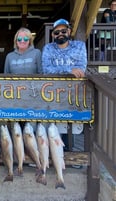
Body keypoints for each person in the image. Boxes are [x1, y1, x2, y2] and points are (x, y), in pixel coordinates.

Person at [42, 19, 87, 152]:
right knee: (52, 125)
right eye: (57, 32)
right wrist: (69, 69)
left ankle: (69, 155)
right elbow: (46, 70)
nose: (60, 34)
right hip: (51, 92)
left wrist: (64, 69)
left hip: (72, 92)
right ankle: (53, 156)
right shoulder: (48, 48)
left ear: (69, 31)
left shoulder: (80, 46)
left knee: (71, 125)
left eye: (63, 31)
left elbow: (80, 69)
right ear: (53, 35)